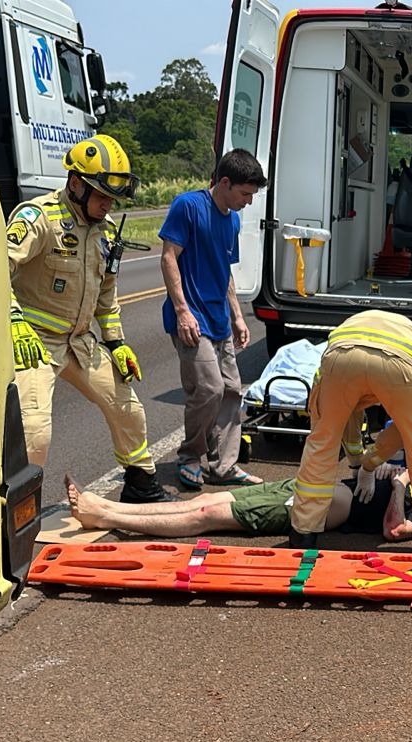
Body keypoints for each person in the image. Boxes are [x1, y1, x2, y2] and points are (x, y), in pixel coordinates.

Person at [8, 134, 169, 503]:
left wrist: (118, 342)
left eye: (111, 199)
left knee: (127, 407)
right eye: (100, 196)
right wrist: (13, 320)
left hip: (79, 343)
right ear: (76, 184)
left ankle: (141, 484)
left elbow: (106, 297)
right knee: (34, 431)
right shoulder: (39, 219)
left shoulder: (105, 231)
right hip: (36, 340)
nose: (107, 205)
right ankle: (15, 512)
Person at [290, 311, 412, 553]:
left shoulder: (393, 324)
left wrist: (359, 463)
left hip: (341, 353)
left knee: (322, 441)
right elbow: (404, 430)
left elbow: (348, 415)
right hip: (400, 363)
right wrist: (369, 464)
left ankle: (303, 532)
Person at [160, 149, 268, 491]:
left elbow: (226, 273)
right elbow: (168, 258)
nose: (248, 203)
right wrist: (182, 310)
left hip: (219, 319)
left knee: (233, 391)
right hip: (193, 319)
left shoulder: (232, 220)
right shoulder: (188, 207)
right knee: (209, 388)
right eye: (245, 194)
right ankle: (190, 456)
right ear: (224, 182)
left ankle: (223, 465)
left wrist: (238, 317)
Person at [65, 466, 412, 541]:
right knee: (208, 498)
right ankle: (102, 508)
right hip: (313, 484)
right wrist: (385, 471)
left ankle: (106, 514)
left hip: (322, 507)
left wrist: (398, 488)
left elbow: (395, 531)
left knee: (207, 516)